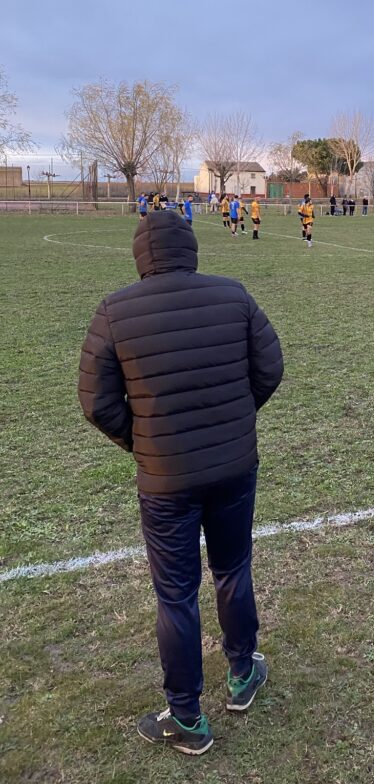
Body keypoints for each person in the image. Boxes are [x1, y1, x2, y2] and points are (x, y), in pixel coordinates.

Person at [78, 211, 284, 755]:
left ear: (140, 256)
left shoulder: (115, 310)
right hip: (230, 466)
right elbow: (270, 368)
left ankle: (193, 713)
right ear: (190, 249)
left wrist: (145, 441)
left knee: (176, 594)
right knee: (232, 568)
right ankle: (239, 671)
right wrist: (228, 425)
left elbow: (96, 403)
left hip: (168, 478)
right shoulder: (233, 295)